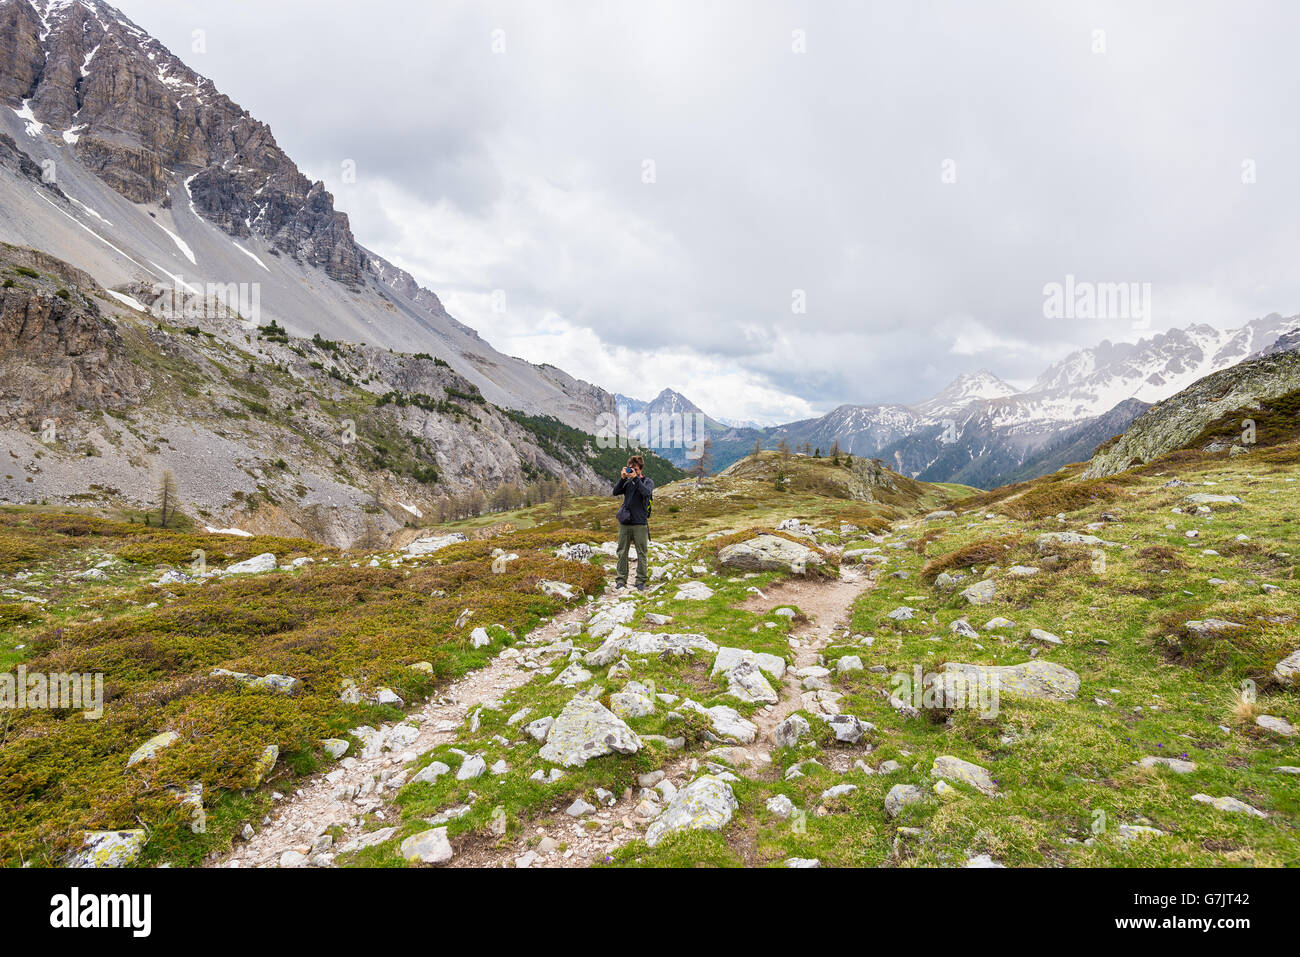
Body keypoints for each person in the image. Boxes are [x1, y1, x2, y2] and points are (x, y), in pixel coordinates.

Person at [612, 455, 654, 590]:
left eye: (635, 469)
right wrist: (623, 478)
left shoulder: (648, 482)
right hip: (625, 523)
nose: (632, 471)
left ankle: (640, 580)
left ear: (640, 469)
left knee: (641, 552)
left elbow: (646, 493)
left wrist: (636, 478)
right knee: (622, 551)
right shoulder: (627, 481)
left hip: (640, 523)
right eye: (630, 468)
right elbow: (615, 492)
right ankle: (621, 580)